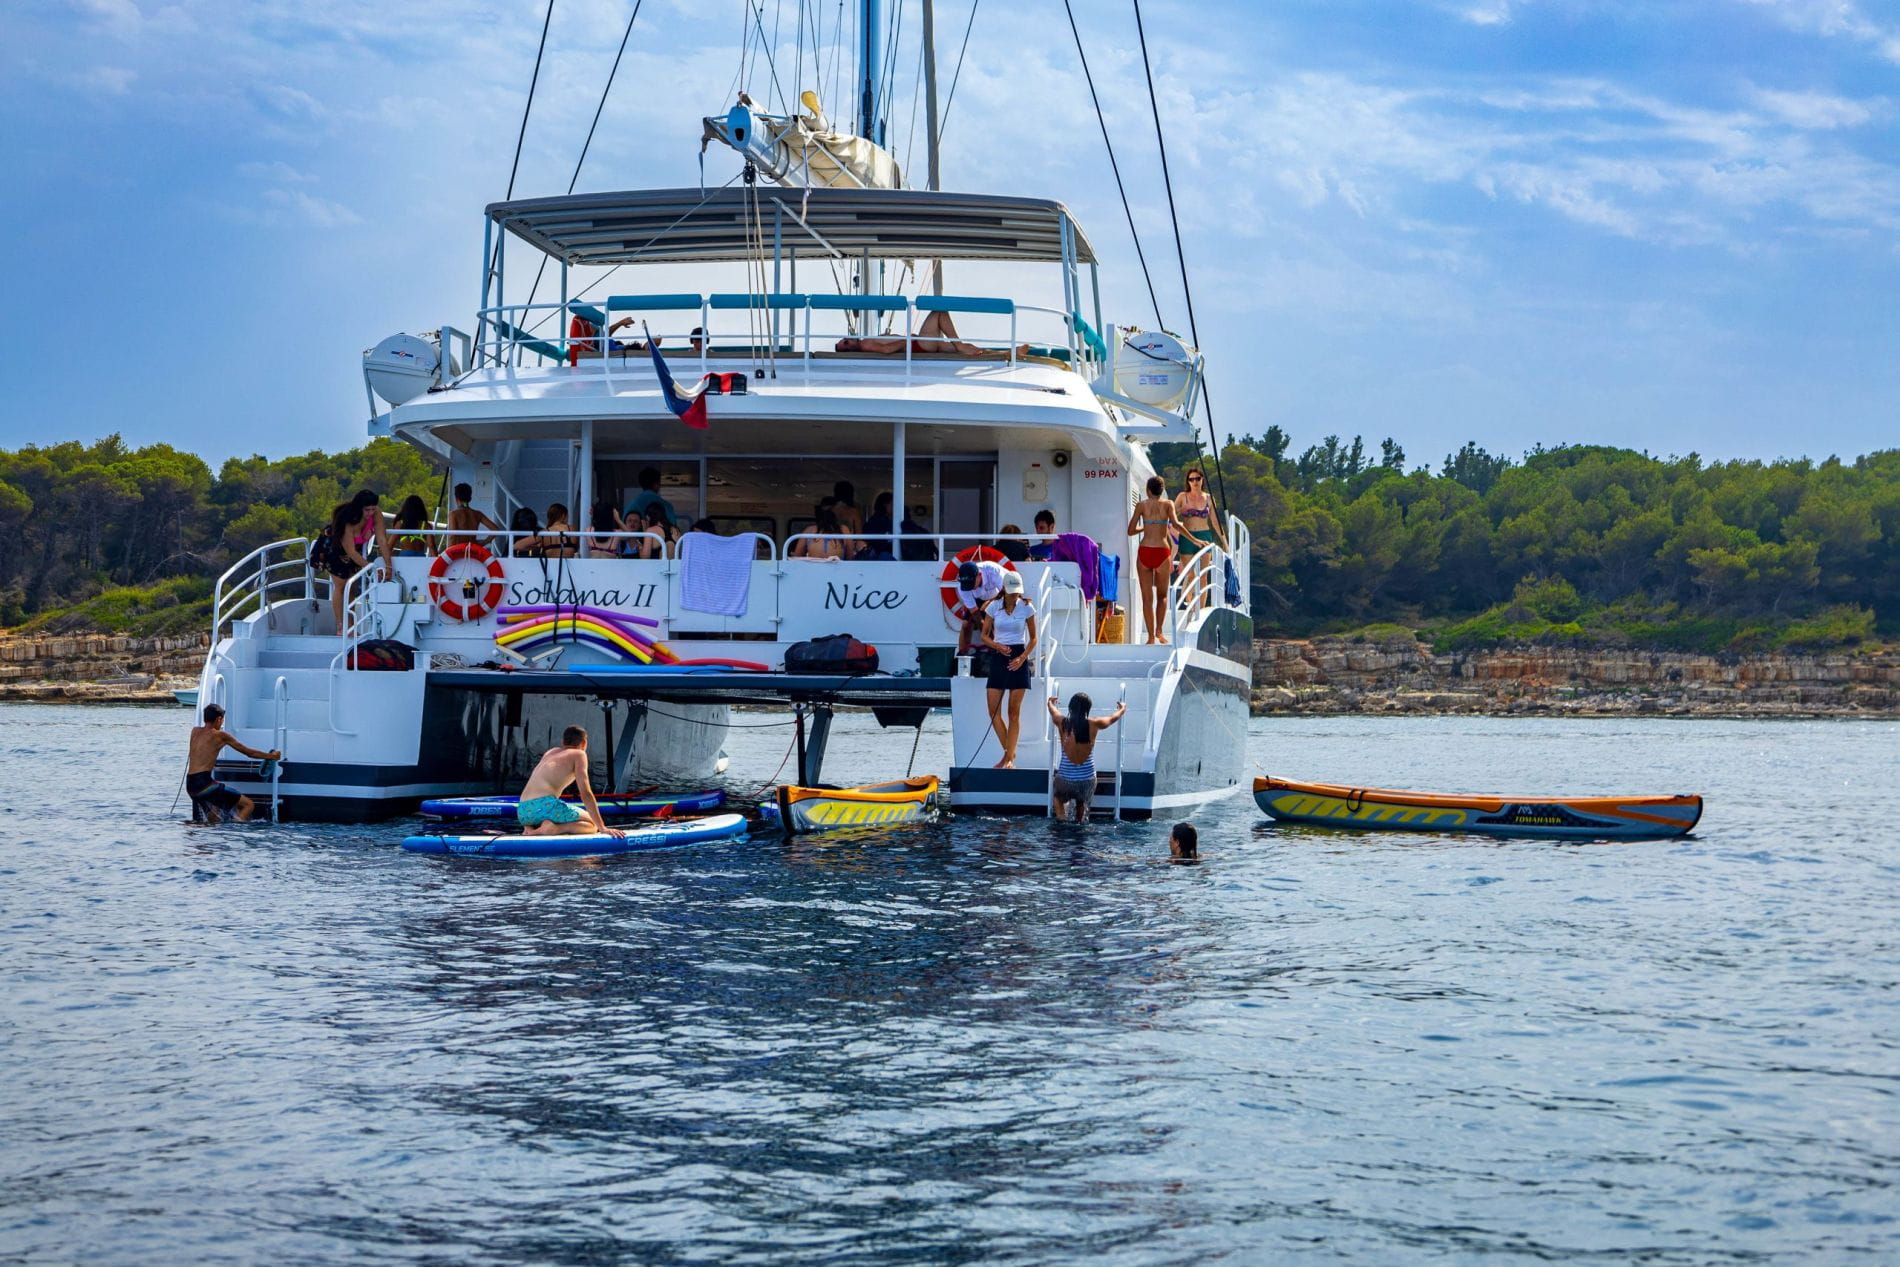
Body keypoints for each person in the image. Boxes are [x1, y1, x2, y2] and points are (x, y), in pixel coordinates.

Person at [516, 725, 623, 837]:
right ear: (584, 743)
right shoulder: (579, 754)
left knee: (551, 811)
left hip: (523, 811)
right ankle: (552, 829)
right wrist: (602, 827)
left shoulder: (551, 752)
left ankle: (530, 828)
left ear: (563, 741)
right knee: (592, 824)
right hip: (545, 806)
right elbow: (585, 793)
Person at [980, 571, 1039, 768]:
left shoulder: (1027, 607)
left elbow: (1033, 638)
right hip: (999, 656)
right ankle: (1010, 755)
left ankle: (1008, 759)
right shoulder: (993, 607)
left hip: (1019, 656)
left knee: (1013, 712)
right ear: (1004, 589)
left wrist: (1022, 658)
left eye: (1017, 592)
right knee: (992, 711)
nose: (1015, 596)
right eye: (1012, 592)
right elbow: (984, 635)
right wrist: (997, 646)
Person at [186, 703, 280, 823]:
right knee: (248, 805)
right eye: (222, 720)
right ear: (219, 719)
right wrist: (271, 756)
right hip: (204, 784)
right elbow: (248, 752)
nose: (222, 724)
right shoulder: (220, 735)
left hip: (190, 785)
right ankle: (235, 831)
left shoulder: (194, 731)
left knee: (213, 818)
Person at [1127, 476, 1191, 644]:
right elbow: (1177, 525)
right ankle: (1159, 632)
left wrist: (1146, 526)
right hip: (1162, 552)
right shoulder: (1168, 504)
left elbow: (1131, 530)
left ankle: (1149, 638)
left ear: (1148, 490)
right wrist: (1195, 540)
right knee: (1162, 596)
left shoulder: (1141, 505)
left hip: (1145, 551)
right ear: (1162, 490)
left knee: (1147, 599)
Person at [1045, 691, 1127, 822]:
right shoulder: (1094, 723)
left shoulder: (1062, 722)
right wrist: (1122, 709)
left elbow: (1052, 711)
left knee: (1058, 798)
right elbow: (1112, 718)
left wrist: (1050, 702)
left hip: (1065, 779)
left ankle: (1062, 819)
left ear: (1070, 708)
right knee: (1081, 802)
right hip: (1087, 780)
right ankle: (1079, 822)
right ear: (1087, 709)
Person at [835, 309, 1030, 359]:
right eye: (845, 343)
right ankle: (960, 344)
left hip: (918, 344)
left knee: (968, 351)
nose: (846, 339)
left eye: (843, 339)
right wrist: (905, 340)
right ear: (849, 349)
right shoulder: (866, 344)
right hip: (918, 345)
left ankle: (1008, 353)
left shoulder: (866, 342)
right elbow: (886, 350)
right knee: (939, 313)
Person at [325, 501, 369, 636]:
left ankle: (349, 624)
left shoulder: (353, 525)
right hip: (336, 554)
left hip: (348, 557)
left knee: (351, 588)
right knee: (340, 586)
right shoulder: (340, 529)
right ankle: (341, 625)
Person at [952, 556, 1007, 654]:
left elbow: (1006, 592)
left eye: (971, 584)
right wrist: (985, 631)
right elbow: (975, 612)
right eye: (967, 585)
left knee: (998, 624)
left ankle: (1000, 650)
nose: (970, 588)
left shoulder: (993, 571)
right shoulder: (963, 587)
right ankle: (961, 655)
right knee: (965, 624)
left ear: (979, 575)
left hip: (999, 596)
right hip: (978, 599)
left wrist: (990, 602)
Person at [1176, 468, 1227, 551]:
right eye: (1191, 479)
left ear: (1202, 479)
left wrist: (1224, 541)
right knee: (1188, 564)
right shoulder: (1182, 496)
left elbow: (1215, 522)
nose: (1195, 482)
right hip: (1187, 536)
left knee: (1206, 565)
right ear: (1188, 482)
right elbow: (1171, 515)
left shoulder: (1209, 498)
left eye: (1198, 478)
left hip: (1204, 535)